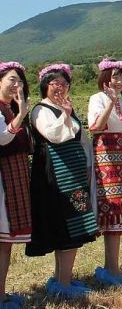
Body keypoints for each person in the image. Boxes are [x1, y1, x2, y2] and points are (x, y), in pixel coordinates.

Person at [25, 64, 97, 299]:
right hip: (55, 175)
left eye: (64, 84)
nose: (60, 88)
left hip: (74, 174)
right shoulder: (40, 110)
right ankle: (63, 283)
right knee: (65, 227)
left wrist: (87, 165)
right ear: (45, 86)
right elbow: (54, 136)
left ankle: (62, 279)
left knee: (74, 224)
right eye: (55, 84)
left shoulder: (68, 108)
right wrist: (65, 114)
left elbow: (81, 139)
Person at [88, 58, 122, 285]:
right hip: (105, 157)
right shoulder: (97, 98)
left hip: (120, 155)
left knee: (117, 213)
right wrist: (111, 103)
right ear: (105, 79)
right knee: (111, 211)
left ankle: (111, 268)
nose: (119, 81)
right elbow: (95, 127)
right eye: (115, 76)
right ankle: (113, 271)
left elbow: (121, 129)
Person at [0, 62, 32, 309]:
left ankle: (1, 293)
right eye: (12, 79)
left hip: (14, 175)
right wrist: (21, 114)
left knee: (5, 241)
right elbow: (2, 139)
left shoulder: (11, 108)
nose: (16, 85)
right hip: (2, 178)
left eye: (19, 81)